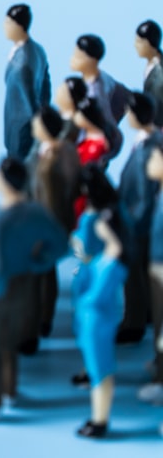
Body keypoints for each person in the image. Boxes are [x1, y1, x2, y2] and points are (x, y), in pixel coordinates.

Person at [0, 158, 66, 424]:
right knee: (10, 342)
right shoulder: (36, 212)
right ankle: (9, 390)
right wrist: (38, 262)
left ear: (6, 183)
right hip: (26, 282)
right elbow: (61, 244)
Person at [73, 166, 130, 438]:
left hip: (98, 321)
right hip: (92, 321)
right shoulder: (104, 260)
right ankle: (97, 417)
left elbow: (96, 298)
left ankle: (100, 420)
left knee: (100, 371)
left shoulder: (112, 267)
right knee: (97, 369)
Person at [23, 106, 80, 349]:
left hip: (49, 221)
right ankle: (43, 318)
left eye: (37, 124)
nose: (33, 128)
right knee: (46, 273)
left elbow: (58, 194)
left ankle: (40, 321)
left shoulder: (58, 155)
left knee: (41, 274)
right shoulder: (50, 150)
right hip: (46, 219)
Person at [116, 92, 161, 344]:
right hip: (138, 221)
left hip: (137, 224)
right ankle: (143, 315)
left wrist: (133, 223)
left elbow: (145, 195)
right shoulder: (148, 141)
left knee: (134, 276)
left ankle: (134, 322)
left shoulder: (147, 150)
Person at [69, 34, 129, 161]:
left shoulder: (94, 94)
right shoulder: (102, 77)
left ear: (92, 60)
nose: (72, 59)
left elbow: (96, 125)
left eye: (78, 56)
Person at [3, 4, 52, 160]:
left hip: (21, 128)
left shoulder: (22, 64)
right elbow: (46, 87)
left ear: (19, 26)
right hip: (21, 125)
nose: (4, 27)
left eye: (8, 23)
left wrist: (39, 123)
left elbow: (31, 98)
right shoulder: (38, 50)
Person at [138, 143, 163, 405]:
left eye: (156, 158)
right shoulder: (158, 193)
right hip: (156, 264)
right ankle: (159, 364)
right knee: (158, 324)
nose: (151, 162)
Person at [135, 20, 163, 127]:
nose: (135, 45)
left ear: (148, 43)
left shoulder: (160, 72)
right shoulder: (151, 64)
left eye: (139, 42)